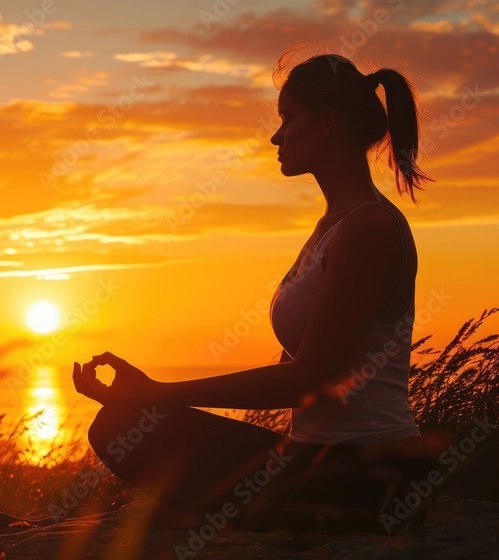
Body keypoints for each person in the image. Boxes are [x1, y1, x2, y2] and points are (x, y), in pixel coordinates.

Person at [72, 50, 443, 536]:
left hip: (369, 478)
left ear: (327, 122)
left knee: (123, 428)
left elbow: (308, 379)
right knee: (123, 424)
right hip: (320, 460)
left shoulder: (368, 228)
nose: (276, 135)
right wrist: (151, 398)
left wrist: (158, 395)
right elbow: (308, 368)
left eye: (288, 119)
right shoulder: (335, 225)